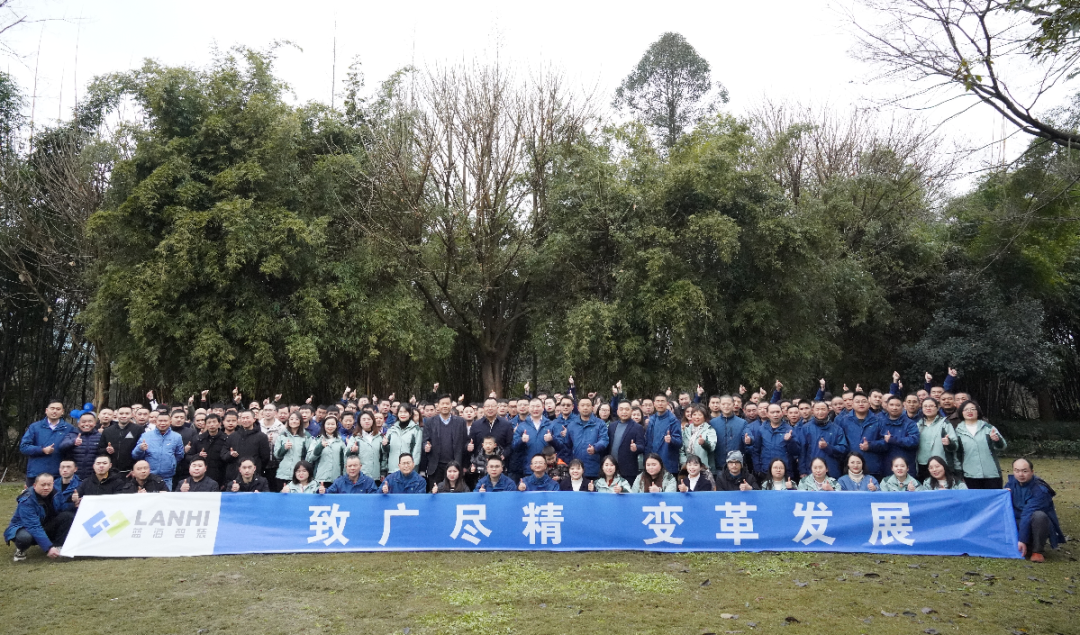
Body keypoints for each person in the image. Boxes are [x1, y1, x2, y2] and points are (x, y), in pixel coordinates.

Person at [1007, 458, 1064, 563]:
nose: (1020, 474)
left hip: (1033, 522)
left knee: (1039, 516)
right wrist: (1003, 495)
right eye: (1017, 471)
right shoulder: (1011, 484)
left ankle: (1037, 551)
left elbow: (1027, 514)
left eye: (1025, 471)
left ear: (1032, 472)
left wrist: (1022, 539)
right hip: (1017, 521)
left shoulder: (1040, 489)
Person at [6, 473, 73, 561]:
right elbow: (33, 526)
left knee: (68, 516)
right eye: (43, 485)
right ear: (35, 485)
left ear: (53, 484)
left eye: (49, 484)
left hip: (45, 525)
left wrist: (75, 503)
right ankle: (21, 549)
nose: (46, 487)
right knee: (25, 538)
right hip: (24, 528)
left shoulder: (56, 493)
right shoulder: (27, 500)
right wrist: (48, 547)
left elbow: (63, 508)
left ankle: (58, 547)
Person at [19, 398, 76, 486]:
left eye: (58, 409)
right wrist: (42, 450)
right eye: (52, 408)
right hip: (36, 473)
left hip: (58, 474)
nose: (54, 411)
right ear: (46, 410)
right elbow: (24, 447)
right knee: (33, 499)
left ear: (62, 412)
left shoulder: (69, 428)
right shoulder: (35, 427)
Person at [953, 400, 1007, 489]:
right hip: (970, 475)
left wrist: (997, 440)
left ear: (978, 412)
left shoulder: (988, 428)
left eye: (973, 409)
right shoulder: (957, 432)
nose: (969, 411)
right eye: (966, 409)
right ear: (961, 413)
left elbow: (1002, 447)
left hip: (992, 474)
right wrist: (959, 474)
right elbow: (957, 455)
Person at [421, 394, 469, 485]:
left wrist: (465, 463)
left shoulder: (460, 422)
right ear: (438, 406)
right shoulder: (430, 422)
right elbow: (425, 441)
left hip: (455, 465)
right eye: (442, 404)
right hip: (436, 465)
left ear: (451, 405)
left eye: (447, 403)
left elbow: (465, 442)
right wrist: (426, 447)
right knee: (435, 493)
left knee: (455, 494)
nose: (445, 406)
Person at [132, 410, 186, 490]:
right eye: (160, 421)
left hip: (167, 476)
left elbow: (179, 455)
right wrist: (140, 448)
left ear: (170, 421)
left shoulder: (177, 437)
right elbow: (135, 455)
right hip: (148, 476)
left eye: (165, 421)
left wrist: (171, 463)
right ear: (155, 422)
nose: (162, 423)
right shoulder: (146, 436)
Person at [746, 403, 800, 483]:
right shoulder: (761, 430)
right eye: (772, 412)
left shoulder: (789, 429)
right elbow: (756, 451)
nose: (775, 415)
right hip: (765, 470)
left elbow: (796, 451)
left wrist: (790, 441)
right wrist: (758, 469)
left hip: (784, 471)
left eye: (778, 412)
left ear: (782, 413)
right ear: (767, 414)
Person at [556, 397, 609, 479]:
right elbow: (567, 446)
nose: (585, 407)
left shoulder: (600, 423)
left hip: (594, 468)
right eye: (582, 405)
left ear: (592, 408)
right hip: (576, 469)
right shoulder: (572, 425)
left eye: (588, 405)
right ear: (578, 408)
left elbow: (604, 440)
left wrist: (595, 448)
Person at [511, 399, 560, 482]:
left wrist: (552, 439)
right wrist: (521, 440)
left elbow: (561, 445)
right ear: (529, 408)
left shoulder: (551, 425)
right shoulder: (522, 426)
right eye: (533, 406)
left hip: (549, 469)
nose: (535, 409)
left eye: (538, 406)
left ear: (543, 408)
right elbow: (513, 446)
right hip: (528, 468)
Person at [796, 402, 849, 480]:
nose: (820, 412)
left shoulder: (837, 429)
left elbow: (843, 449)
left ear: (828, 410)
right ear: (812, 411)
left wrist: (828, 447)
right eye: (817, 409)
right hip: (811, 470)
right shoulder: (806, 428)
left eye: (823, 409)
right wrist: (802, 470)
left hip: (832, 470)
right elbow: (802, 451)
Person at [221, 410, 271, 484]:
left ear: (254, 419)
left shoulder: (261, 437)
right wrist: (230, 454)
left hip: (254, 477)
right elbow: (223, 454)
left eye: (247, 418)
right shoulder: (232, 436)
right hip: (234, 476)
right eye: (243, 418)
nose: (245, 420)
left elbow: (265, 457)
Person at [878, 395, 920, 482]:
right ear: (886, 406)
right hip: (886, 465)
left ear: (903, 406)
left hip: (906, 466)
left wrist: (893, 440)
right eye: (892, 405)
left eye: (897, 405)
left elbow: (914, 441)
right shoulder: (880, 422)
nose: (894, 408)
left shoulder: (910, 424)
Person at [97, 405, 145, 478]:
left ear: (132, 415)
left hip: (130, 471)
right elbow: (100, 449)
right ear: (116, 415)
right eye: (121, 413)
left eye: (127, 413)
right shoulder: (108, 431)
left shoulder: (138, 429)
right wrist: (107, 450)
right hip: (111, 472)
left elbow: (141, 451)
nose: (124, 416)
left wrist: (136, 469)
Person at [915, 398, 956, 482]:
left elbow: (955, 444)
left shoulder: (945, 423)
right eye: (925, 406)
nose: (928, 408)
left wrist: (949, 443)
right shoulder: (918, 424)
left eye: (931, 406)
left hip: (940, 464)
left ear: (937, 408)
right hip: (922, 464)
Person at [606, 401, 645, 484]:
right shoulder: (612, 426)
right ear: (617, 412)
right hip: (612, 469)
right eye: (621, 409)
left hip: (628, 470)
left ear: (631, 411)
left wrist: (636, 448)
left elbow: (642, 446)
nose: (624, 412)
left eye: (627, 409)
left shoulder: (637, 427)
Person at [709, 395, 747, 474]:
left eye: (729, 404)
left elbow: (747, 436)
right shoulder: (712, 423)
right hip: (718, 465)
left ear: (733, 405)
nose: (726, 406)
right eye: (723, 404)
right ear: (719, 405)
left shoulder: (742, 423)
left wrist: (749, 440)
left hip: (736, 465)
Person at [644, 395, 682, 475]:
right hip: (653, 463)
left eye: (662, 401)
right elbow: (648, 442)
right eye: (658, 401)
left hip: (668, 464)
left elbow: (679, 442)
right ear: (654, 404)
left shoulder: (673, 420)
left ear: (667, 403)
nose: (660, 403)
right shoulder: (652, 419)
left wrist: (671, 440)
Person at [274, 411, 312, 487]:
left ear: (300, 421)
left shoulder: (306, 436)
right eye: (291, 419)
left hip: (299, 474)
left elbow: (309, 455)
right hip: (283, 473)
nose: (294, 421)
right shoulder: (282, 435)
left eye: (296, 419)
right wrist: (284, 448)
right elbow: (276, 455)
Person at [347, 411, 386, 483]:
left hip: (375, 476)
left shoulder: (380, 437)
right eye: (364, 419)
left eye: (369, 419)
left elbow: (383, 456)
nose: (366, 421)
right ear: (359, 422)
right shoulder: (355, 437)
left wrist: (383, 472)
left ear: (373, 421)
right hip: (359, 476)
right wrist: (352, 450)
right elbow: (346, 454)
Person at [190, 413, 228, 486]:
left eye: (214, 422)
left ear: (219, 423)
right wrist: (198, 456)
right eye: (209, 423)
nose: (212, 425)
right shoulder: (198, 439)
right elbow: (188, 457)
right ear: (205, 425)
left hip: (220, 477)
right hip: (201, 477)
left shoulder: (226, 439)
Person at [309, 415, 348, 486]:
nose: (330, 426)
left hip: (336, 479)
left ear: (336, 426)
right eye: (328, 424)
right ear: (324, 425)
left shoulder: (340, 441)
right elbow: (310, 458)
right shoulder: (317, 440)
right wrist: (320, 447)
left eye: (332, 424)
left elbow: (344, 460)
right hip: (320, 478)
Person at [385, 404, 423, 475]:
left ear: (410, 414)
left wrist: (413, 468)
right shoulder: (391, 429)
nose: (403, 414)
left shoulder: (416, 430)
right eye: (400, 412)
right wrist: (384, 445)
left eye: (405, 412)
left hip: (408, 469)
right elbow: (386, 450)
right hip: (393, 469)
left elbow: (417, 451)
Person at [680, 404, 717, 472]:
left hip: (704, 468)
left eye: (700, 415)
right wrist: (684, 463)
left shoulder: (709, 430)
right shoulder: (686, 430)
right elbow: (681, 449)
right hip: (688, 468)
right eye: (694, 415)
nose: (697, 417)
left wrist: (704, 443)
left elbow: (712, 447)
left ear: (704, 417)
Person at [67, 412, 103, 481]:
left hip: (94, 476)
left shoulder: (100, 436)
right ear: (78, 423)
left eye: (90, 421)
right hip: (74, 476)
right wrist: (73, 442)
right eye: (83, 422)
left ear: (95, 423)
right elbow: (62, 447)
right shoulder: (72, 434)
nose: (86, 424)